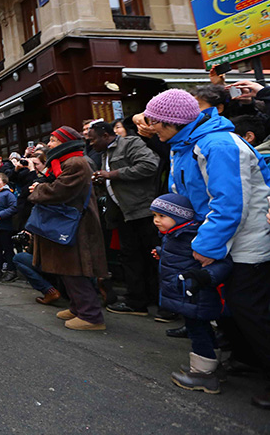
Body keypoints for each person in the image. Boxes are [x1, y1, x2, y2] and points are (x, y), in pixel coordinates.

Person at [141, 88, 270, 409]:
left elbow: (229, 202)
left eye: (155, 121)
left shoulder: (218, 145)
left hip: (245, 242)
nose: (150, 127)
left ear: (173, 122)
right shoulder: (186, 143)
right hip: (219, 239)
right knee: (231, 309)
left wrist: (205, 245)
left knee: (250, 310)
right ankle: (247, 360)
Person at [150, 193, 232, 394]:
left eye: (161, 216)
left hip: (195, 295)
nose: (156, 220)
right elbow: (180, 257)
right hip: (187, 295)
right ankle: (212, 366)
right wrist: (162, 252)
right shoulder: (175, 235)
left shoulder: (192, 237)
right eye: (154, 215)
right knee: (202, 329)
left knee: (198, 332)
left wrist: (205, 277)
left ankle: (203, 376)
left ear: (179, 217)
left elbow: (221, 263)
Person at [29, 126, 109, 331]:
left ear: (65, 143)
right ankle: (77, 308)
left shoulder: (76, 163)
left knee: (76, 270)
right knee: (67, 268)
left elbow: (61, 191)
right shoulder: (65, 162)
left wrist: (38, 189)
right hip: (69, 222)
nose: (49, 144)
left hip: (78, 225)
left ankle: (91, 316)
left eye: (54, 141)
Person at [87, 120, 164, 319]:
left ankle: (165, 304)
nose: (91, 144)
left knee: (153, 257)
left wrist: (112, 174)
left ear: (105, 135)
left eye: (93, 139)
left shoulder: (131, 144)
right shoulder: (103, 154)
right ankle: (137, 302)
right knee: (131, 259)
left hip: (143, 212)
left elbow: (149, 166)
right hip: (123, 214)